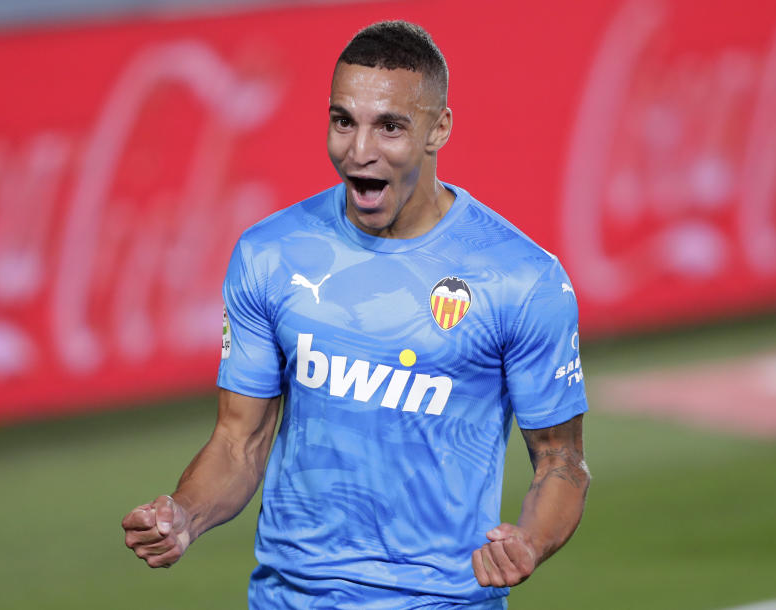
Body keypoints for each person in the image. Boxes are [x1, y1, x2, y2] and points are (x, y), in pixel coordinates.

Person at [123, 20, 590, 608]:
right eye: (344, 121)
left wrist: (530, 541)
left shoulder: (522, 280)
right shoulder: (270, 254)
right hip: (289, 598)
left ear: (437, 129)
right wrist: (185, 514)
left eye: (389, 127)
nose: (359, 150)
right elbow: (238, 444)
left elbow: (561, 462)